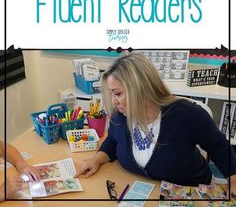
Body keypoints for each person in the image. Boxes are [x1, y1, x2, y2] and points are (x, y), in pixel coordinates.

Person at [75, 52, 236, 194]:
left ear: (140, 89)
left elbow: (219, 147)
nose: (113, 101)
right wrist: (96, 159)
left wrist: (234, 180)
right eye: (111, 94)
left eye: (117, 94)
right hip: (139, 189)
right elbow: (113, 140)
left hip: (189, 192)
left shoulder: (187, 114)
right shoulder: (121, 116)